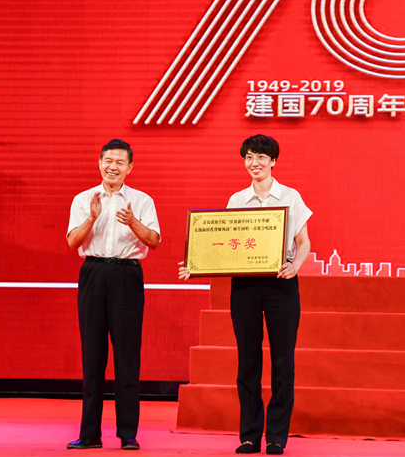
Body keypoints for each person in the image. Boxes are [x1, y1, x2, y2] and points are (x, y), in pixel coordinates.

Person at [180, 134, 312, 456]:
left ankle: (277, 436)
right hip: (244, 287)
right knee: (248, 360)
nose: (255, 163)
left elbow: (304, 242)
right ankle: (250, 435)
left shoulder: (291, 196)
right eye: (249, 157)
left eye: (261, 157)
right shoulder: (237, 199)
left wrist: (295, 266)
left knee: (283, 361)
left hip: (281, 284)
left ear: (273, 161)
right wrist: (197, 264)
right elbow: (227, 245)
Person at [66, 139, 161, 451]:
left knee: (127, 357)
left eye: (120, 162)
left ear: (129, 167)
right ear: (99, 163)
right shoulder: (83, 199)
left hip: (126, 275)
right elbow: (72, 242)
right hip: (93, 274)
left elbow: (154, 240)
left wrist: (133, 222)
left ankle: (128, 434)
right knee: (92, 358)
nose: (113, 167)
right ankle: (89, 434)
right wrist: (92, 218)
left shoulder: (142, 201)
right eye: (108, 160)